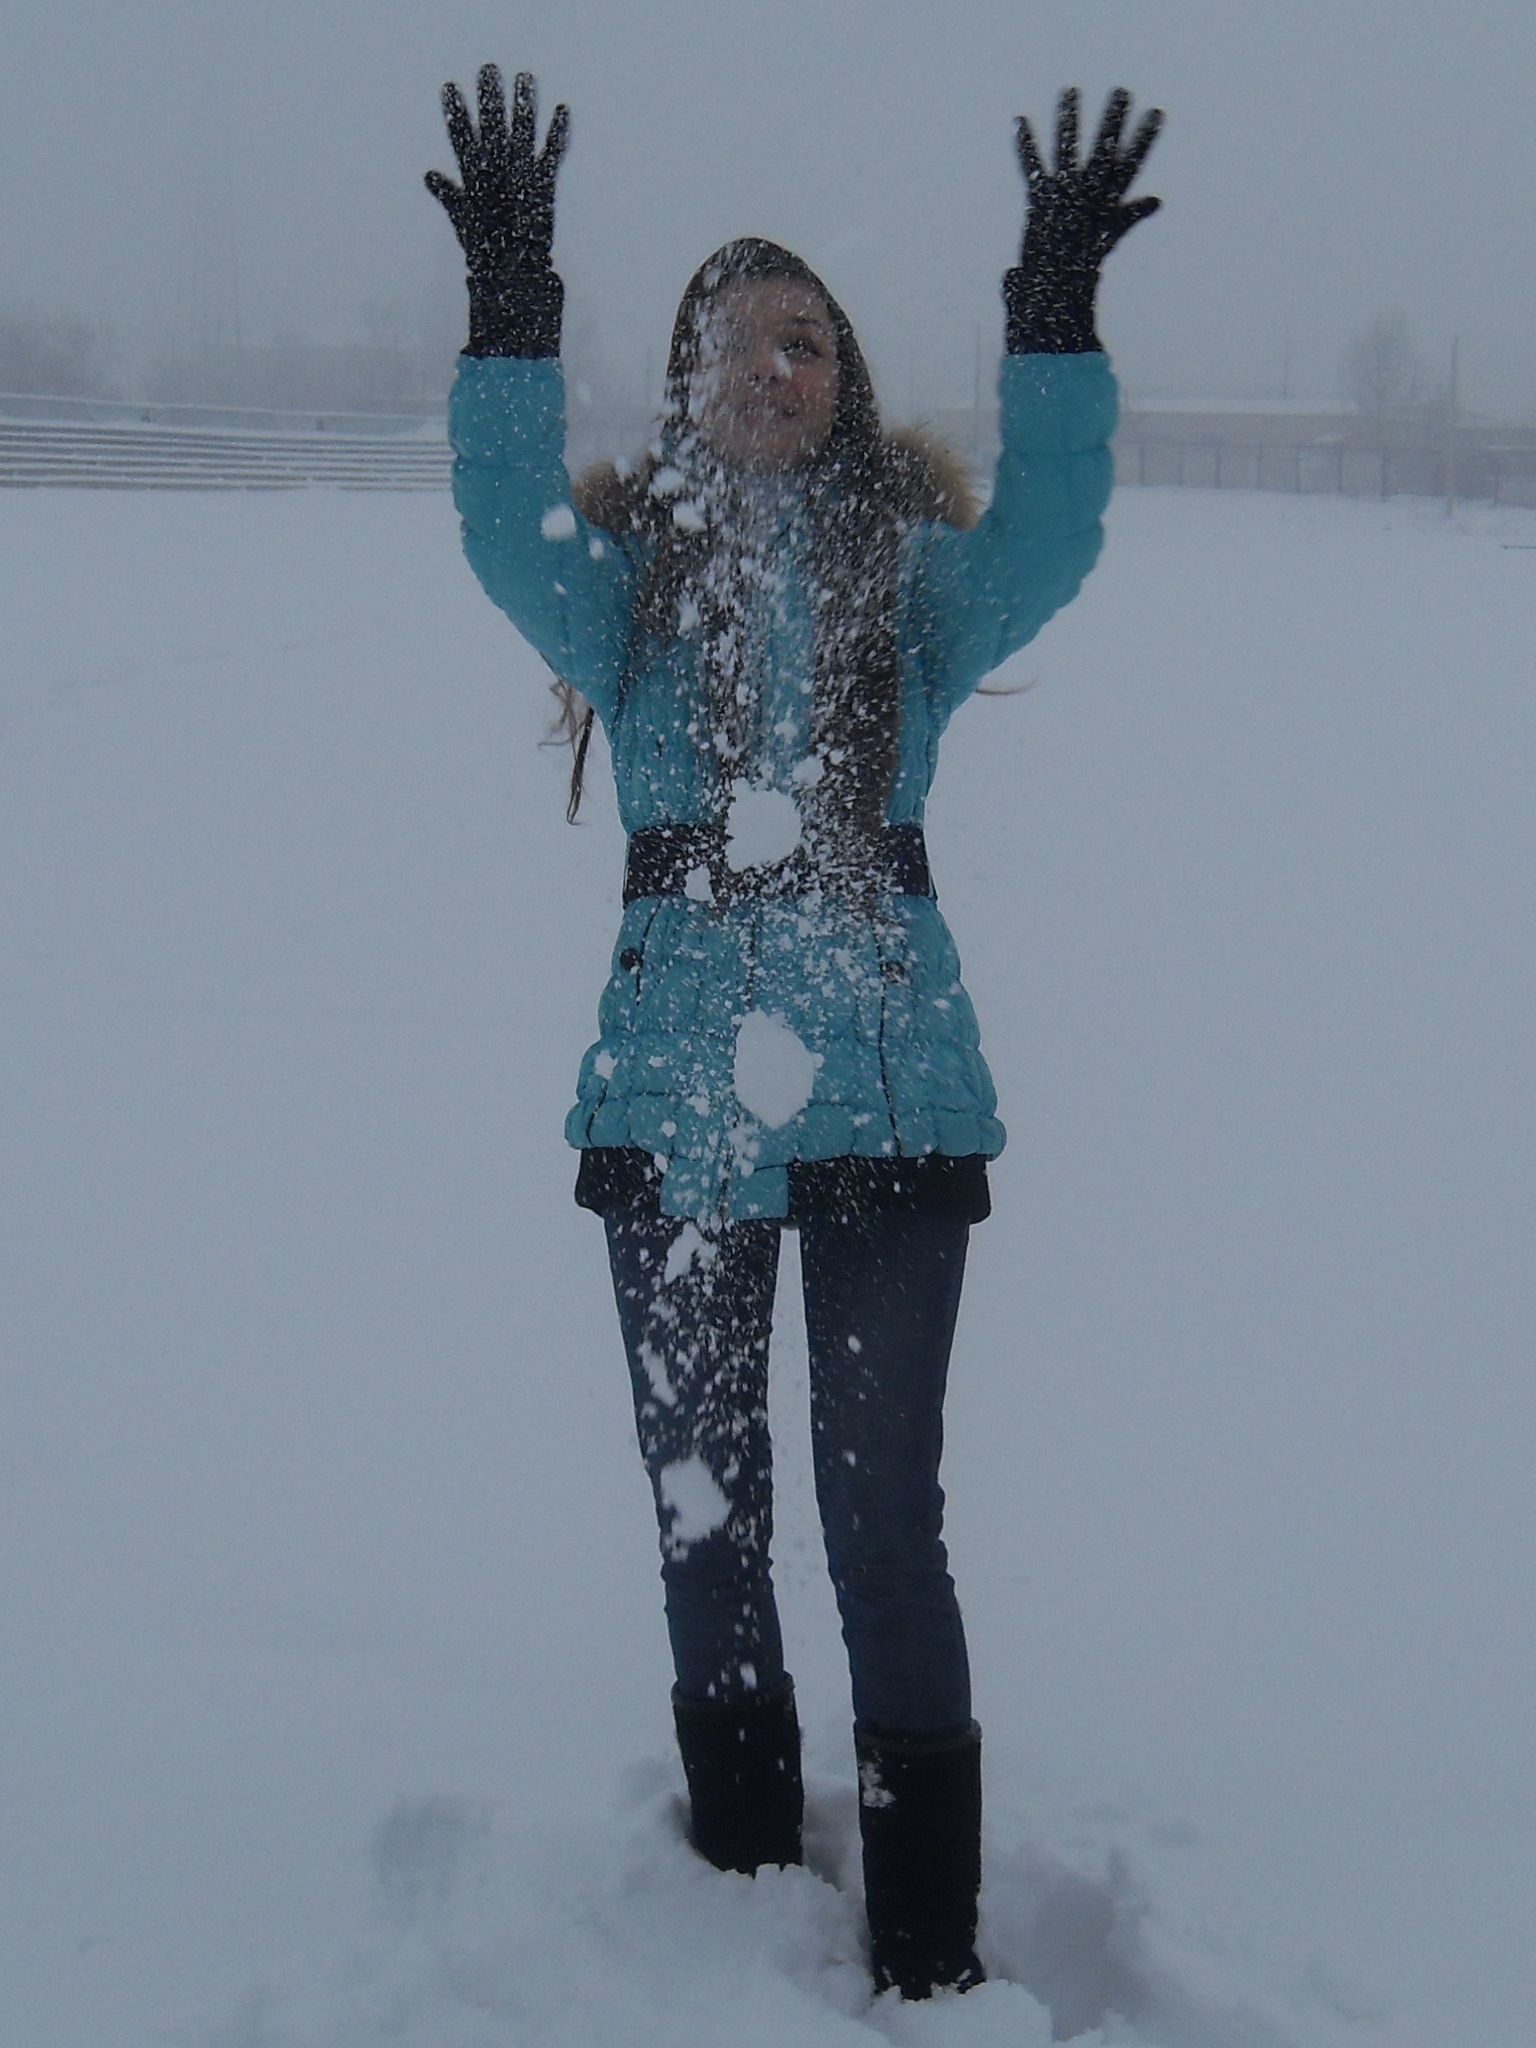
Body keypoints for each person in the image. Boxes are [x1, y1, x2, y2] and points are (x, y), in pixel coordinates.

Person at [426, 66, 1160, 2001]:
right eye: (738, 341)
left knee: (880, 1521)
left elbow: (1050, 541)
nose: (774, 365)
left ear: (844, 381)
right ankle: (739, 1896)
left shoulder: (914, 590)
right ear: (685, 382)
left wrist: (1052, 327)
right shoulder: (627, 601)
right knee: (707, 1516)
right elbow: (502, 528)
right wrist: (510, 320)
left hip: (891, 1106)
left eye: (806, 340)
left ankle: (926, 1947)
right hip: (678, 1111)